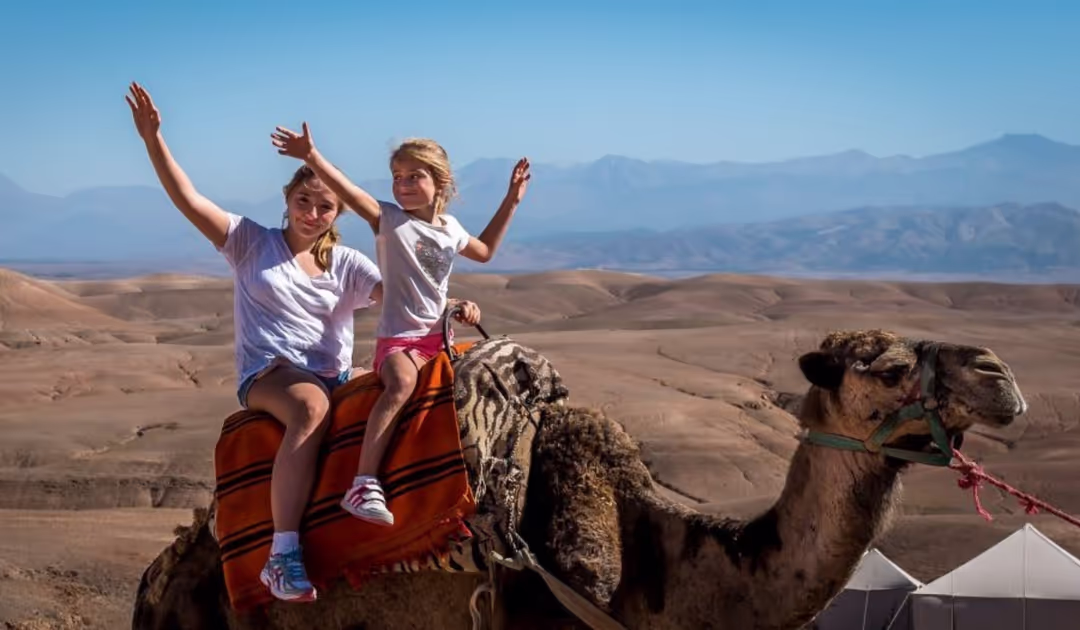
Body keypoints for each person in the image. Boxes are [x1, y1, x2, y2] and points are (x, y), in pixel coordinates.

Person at [126, 83, 383, 603]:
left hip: (335, 370)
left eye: (326, 206)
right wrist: (154, 141)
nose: (313, 212)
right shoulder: (250, 242)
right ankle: (281, 554)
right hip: (271, 372)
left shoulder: (349, 264)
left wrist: (450, 307)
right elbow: (189, 199)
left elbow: (401, 295)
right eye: (303, 201)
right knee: (311, 406)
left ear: (339, 213)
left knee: (396, 389)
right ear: (287, 201)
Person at [270, 122, 529, 526]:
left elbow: (486, 251)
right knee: (402, 383)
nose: (403, 184)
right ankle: (363, 483)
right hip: (398, 343)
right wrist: (311, 157)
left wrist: (512, 200)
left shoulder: (450, 229)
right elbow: (351, 191)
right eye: (397, 177)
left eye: (414, 176)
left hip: (437, 338)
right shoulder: (389, 220)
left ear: (440, 182)